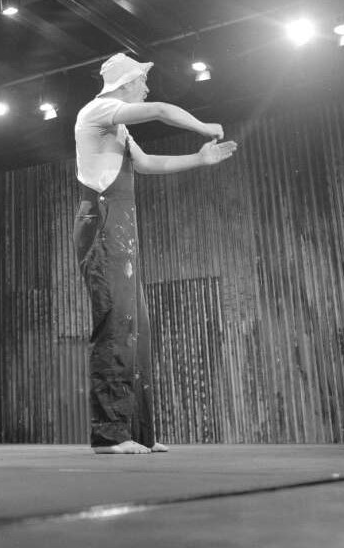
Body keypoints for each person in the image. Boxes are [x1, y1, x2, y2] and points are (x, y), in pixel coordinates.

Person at [73, 53, 237, 455]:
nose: (146, 88)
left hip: (120, 231)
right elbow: (162, 109)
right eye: (142, 81)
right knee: (115, 326)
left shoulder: (120, 126)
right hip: (103, 223)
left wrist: (199, 159)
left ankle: (137, 432)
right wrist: (204, 126)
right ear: (126, 83)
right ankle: (109, 436)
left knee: (137, 331)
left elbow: (144, 164)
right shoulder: (98, 109)